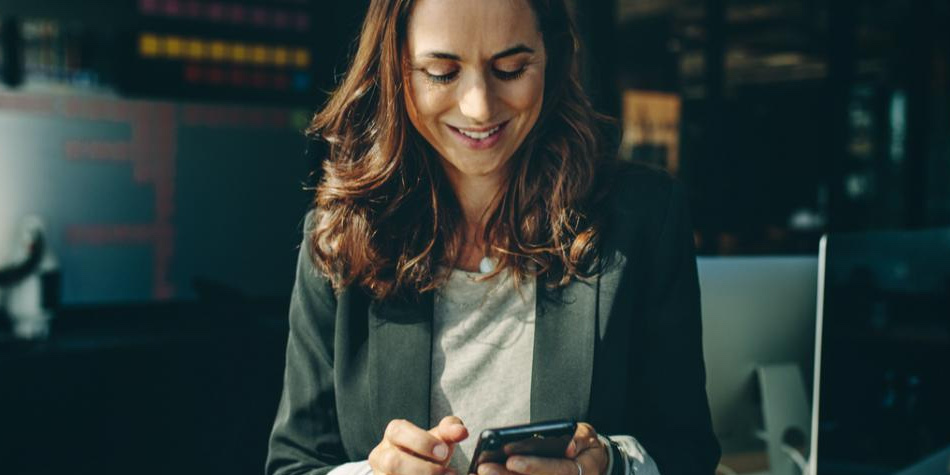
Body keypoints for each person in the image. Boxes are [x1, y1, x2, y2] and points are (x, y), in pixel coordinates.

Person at [266, 1, 721, 474]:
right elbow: (294, 463)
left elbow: (688, 453)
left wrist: (610, 466)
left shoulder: (643, 217)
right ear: (395, 68)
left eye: (511, 69)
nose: (479, 107)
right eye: (442, 72)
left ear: (552, 56)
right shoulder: (341, 234)